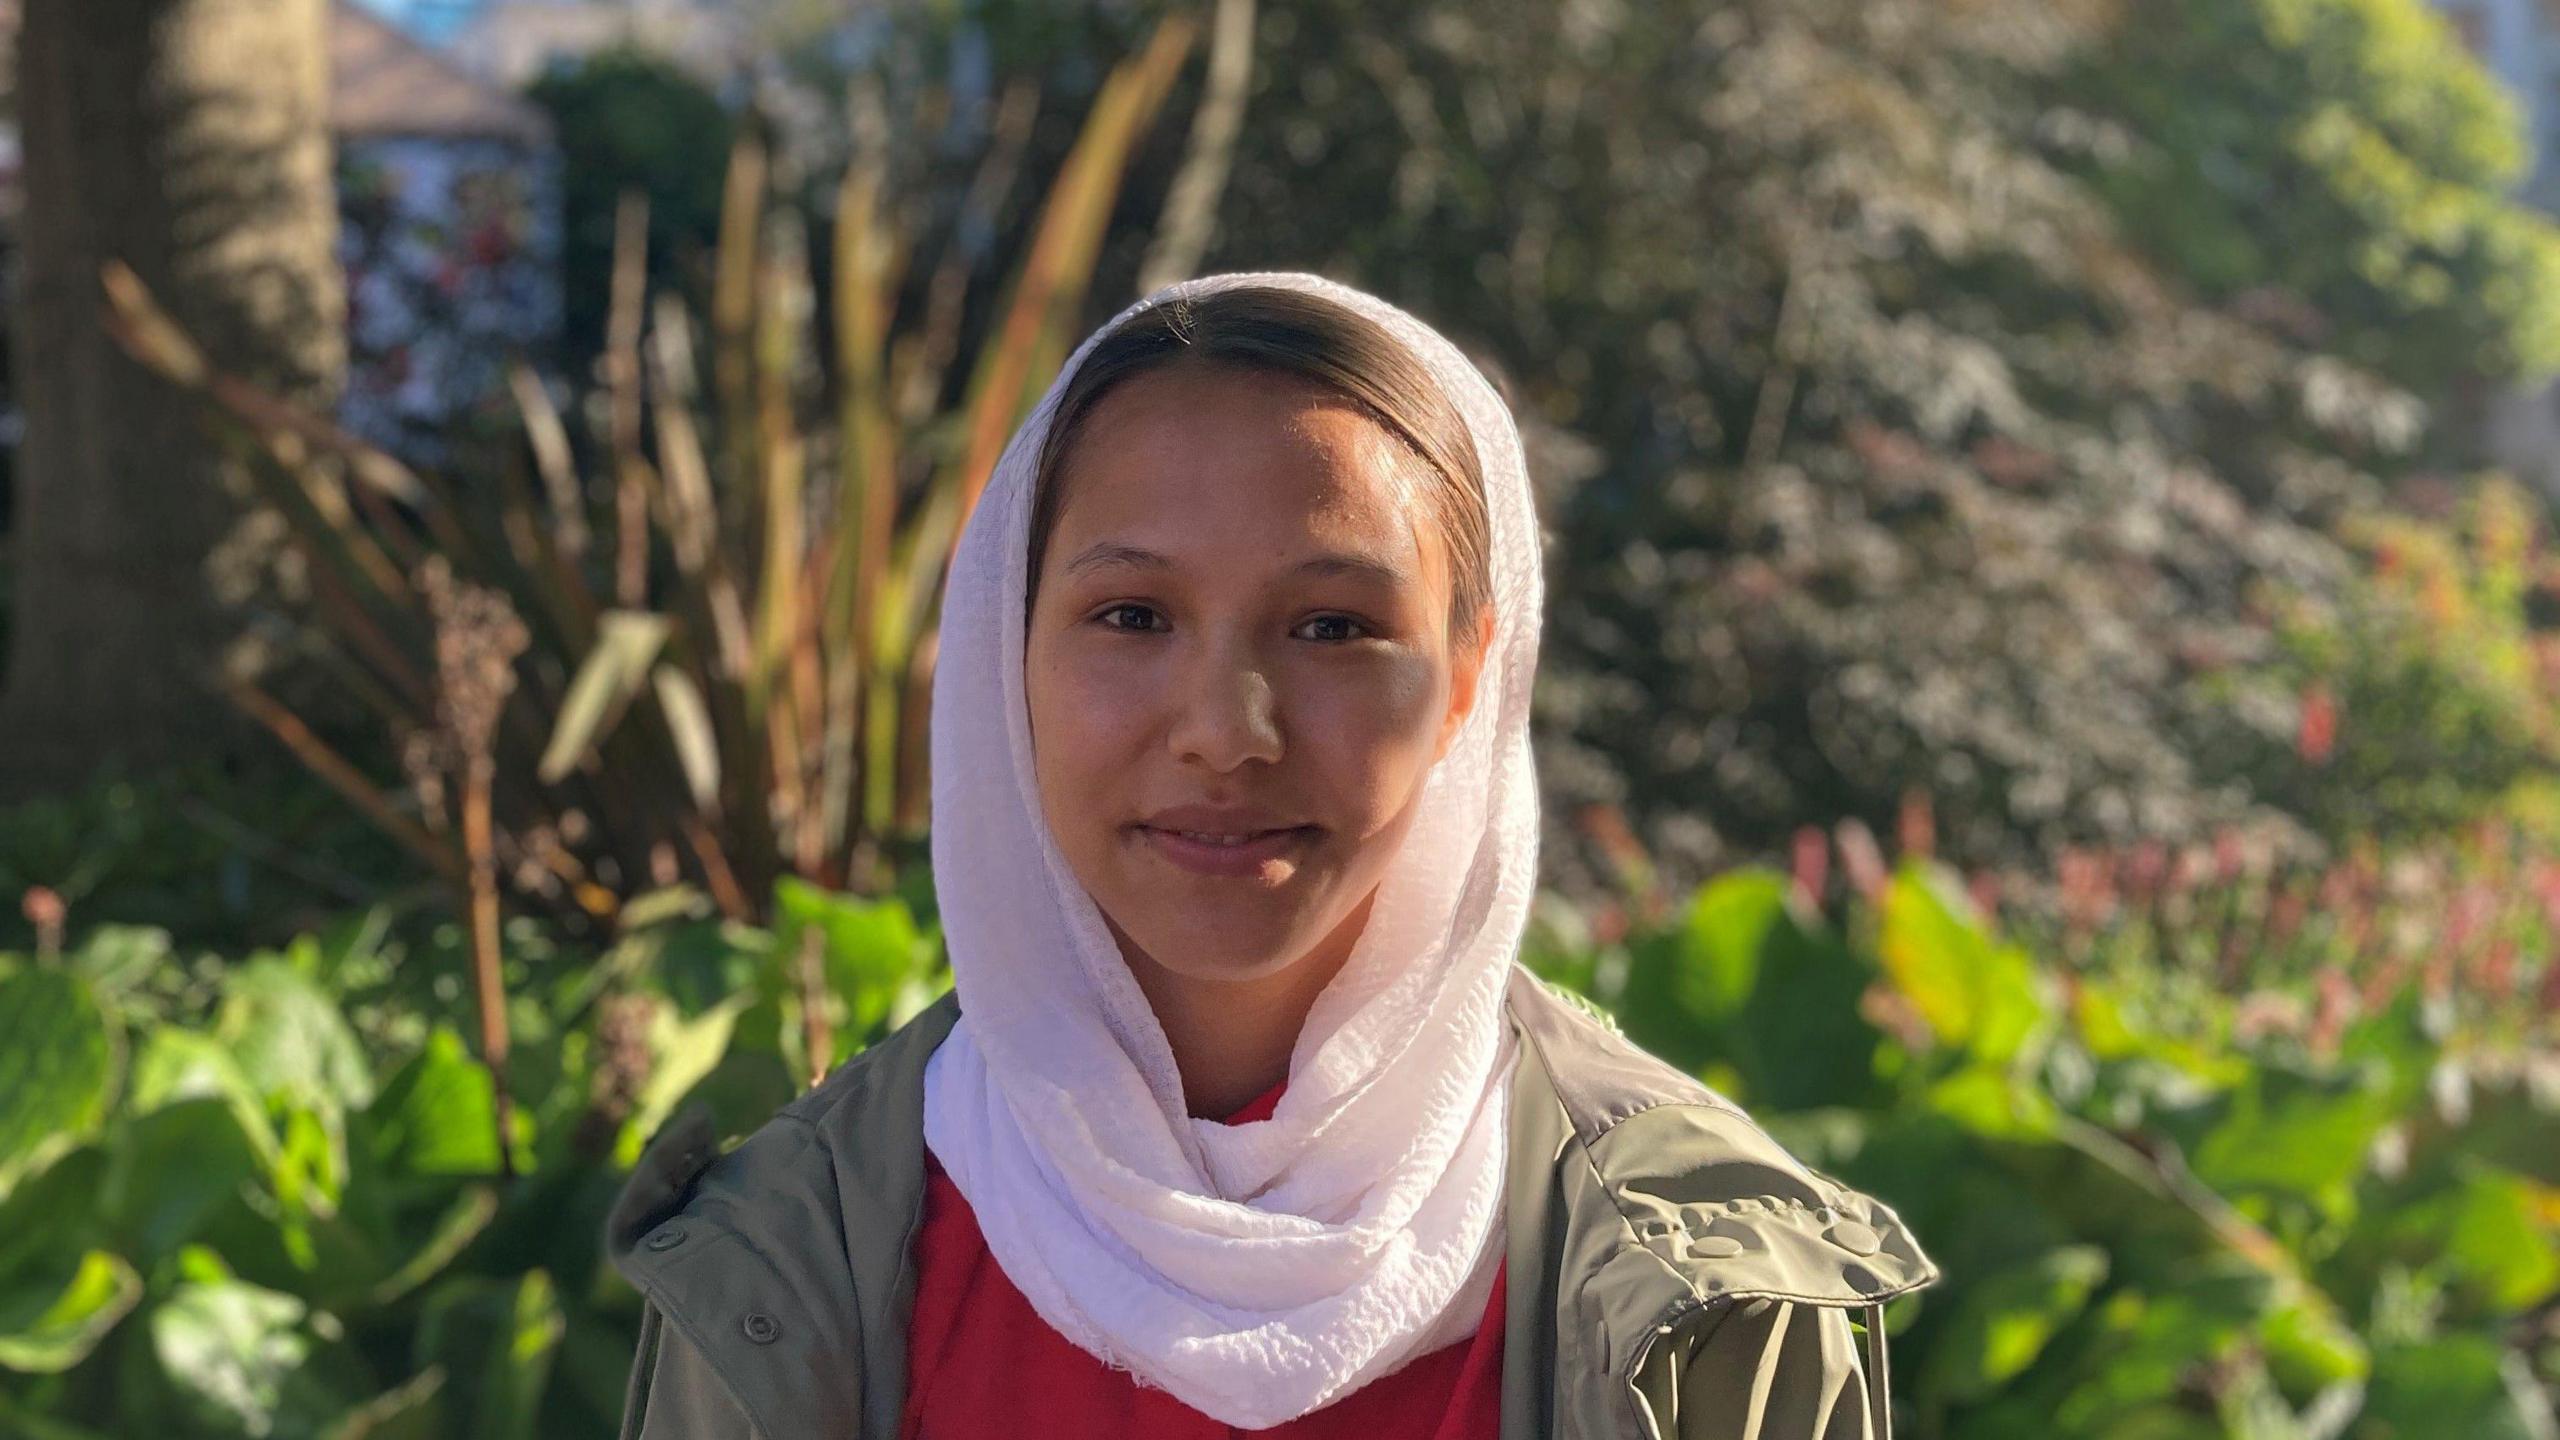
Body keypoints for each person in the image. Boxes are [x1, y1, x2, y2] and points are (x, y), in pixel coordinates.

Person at [604, 272, 1939, 1439]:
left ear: (1475, 673)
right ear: (1008, 651)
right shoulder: (787, 1255)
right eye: (1133, 615)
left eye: (1334, 629)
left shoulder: (1719, 1284)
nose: (1225, 732)